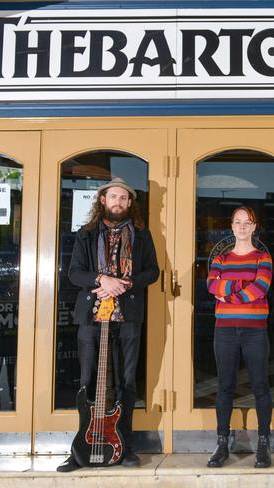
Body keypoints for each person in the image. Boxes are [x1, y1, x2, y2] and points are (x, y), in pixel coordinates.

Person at [57, 177, 159, 472]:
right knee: (89, 382)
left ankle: (123, 446)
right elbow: (74, 273)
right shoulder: (85, 234)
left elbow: (153, 271)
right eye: (113, 197)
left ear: (129, 203)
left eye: (124, 198)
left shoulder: (142, 235)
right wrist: (102, 280)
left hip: (127, 317)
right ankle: (80, 450)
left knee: (127, 383)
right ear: (103, 200)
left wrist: (125, 284)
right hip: (92, 316)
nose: (118, 202)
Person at [206, 206, 274, 469]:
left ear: (254, 226)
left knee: (260, 386)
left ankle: (264, 443)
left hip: (254, 330)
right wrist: (242, 286)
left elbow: (260, 288)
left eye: (247, 222)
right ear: (231, 227)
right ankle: (222, 442)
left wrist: (229, 294)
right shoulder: (221, 259)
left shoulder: (263, 257)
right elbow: (212, 285)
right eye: (237, 222)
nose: (242, 226)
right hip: (224, 330)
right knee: (225, 387)